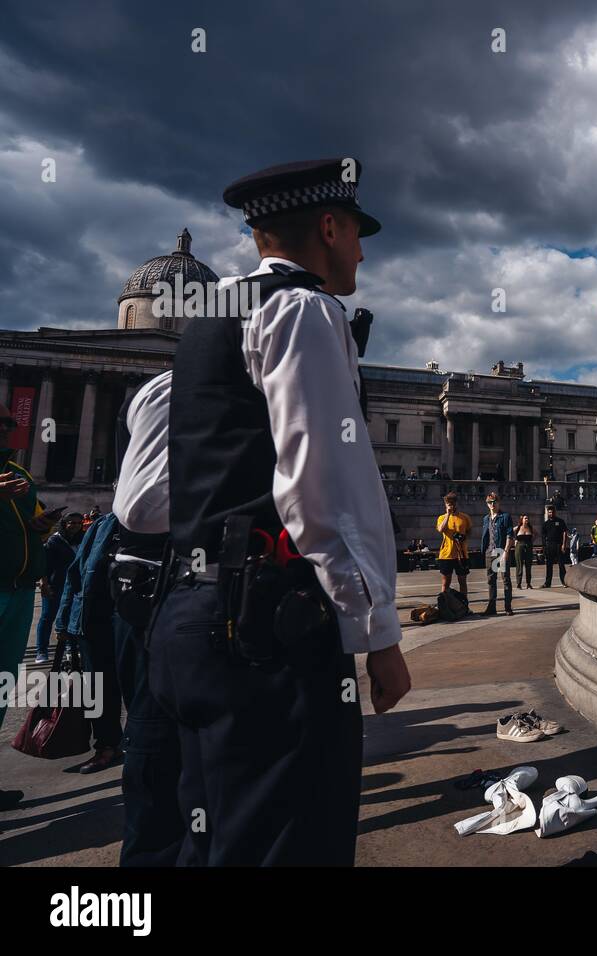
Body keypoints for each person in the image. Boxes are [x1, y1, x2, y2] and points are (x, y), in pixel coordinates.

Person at [149, 158, 410, 865]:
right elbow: (324, 485)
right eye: (358, 233)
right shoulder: (301, 309)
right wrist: (377, 630)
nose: (361, 251)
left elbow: (163, 488)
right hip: (267, 626)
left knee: (213, 842)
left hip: (190, 618)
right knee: (292, 842)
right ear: (328, 226)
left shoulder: (207, 323)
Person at [109, 369, 186, 865]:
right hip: (159, 587)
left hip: (164, 582)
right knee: (158, 731)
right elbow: (142, 509)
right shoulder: (173, 387)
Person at [0, 406, 58, 811]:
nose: (8, 431)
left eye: (9, 425)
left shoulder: (21, 477)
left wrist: (44, 526)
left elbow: (33, 522)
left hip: (20, 594)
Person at [53, 509, 124, 774]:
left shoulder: (165, 519)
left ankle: (144, 747)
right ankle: (107, 745)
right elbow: (76, 573)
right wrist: (64, 620)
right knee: (97, 686)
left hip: (139, 618)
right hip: (94, 617)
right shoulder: (103, 525)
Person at [35, 513, 84, 664]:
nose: (75, 525)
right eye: (71, 522)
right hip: (55, 585)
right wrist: (44, 583)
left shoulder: (83, 539)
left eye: (78, 523)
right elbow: (44, 564)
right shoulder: (54, 540)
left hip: (74, 587)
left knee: (71, 618)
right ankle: (41, 651)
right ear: (64, 523)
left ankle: (70, 648)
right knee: (47, 617)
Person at [481, 492, 513, 616]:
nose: (492, 504)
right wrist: (484, 551)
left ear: (498, 503)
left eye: (494, 502)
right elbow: (486, 536)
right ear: (487, 504)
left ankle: (507, 607)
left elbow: (510, 535)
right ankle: (491, 607)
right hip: (490, 552)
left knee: (505, 579)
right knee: (491, 580)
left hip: (500, 551)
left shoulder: (504, 517)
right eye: (490, 502)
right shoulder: (486, 518)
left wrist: (505, 552)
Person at [436, 491, 470, 600]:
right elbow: (441, 529)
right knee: (446, 581)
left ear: (456, 504)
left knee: (462, 581)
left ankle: (464, 605)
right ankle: (444, 605)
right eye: (449, 504)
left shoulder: (464, 517)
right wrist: (448, 514)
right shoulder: (441, 518)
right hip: (446, 554)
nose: (451, 506)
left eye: (453, 504)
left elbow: (469, 531)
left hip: (461, 554)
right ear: (445, 505)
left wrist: (463, 537)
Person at [540, 504, 568, 587]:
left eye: (552, 512)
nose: (550, 514)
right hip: (549, 546)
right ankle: (547, 583)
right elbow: (543, 536)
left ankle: (564, 582)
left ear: (555, 512)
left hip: (559, 545)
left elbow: (564, 532)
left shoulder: (560, 521)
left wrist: (564, 544)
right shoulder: (545, 524)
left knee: (561, 564)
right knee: (549, 565)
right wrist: (544, 547)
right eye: (549, 512)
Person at [514, 515, 534, 589]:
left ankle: (528, 583)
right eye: (525, 518)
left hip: (528, 547)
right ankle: (518, 584)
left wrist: (532, 542)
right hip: (519, 547)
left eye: (527, 518)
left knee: (528, 566)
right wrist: (514, 540)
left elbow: (536, 534)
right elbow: (509, 532)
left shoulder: (530, 528)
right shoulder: (518, 527)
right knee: (519, 566)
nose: (527, 519)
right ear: (522, 519)